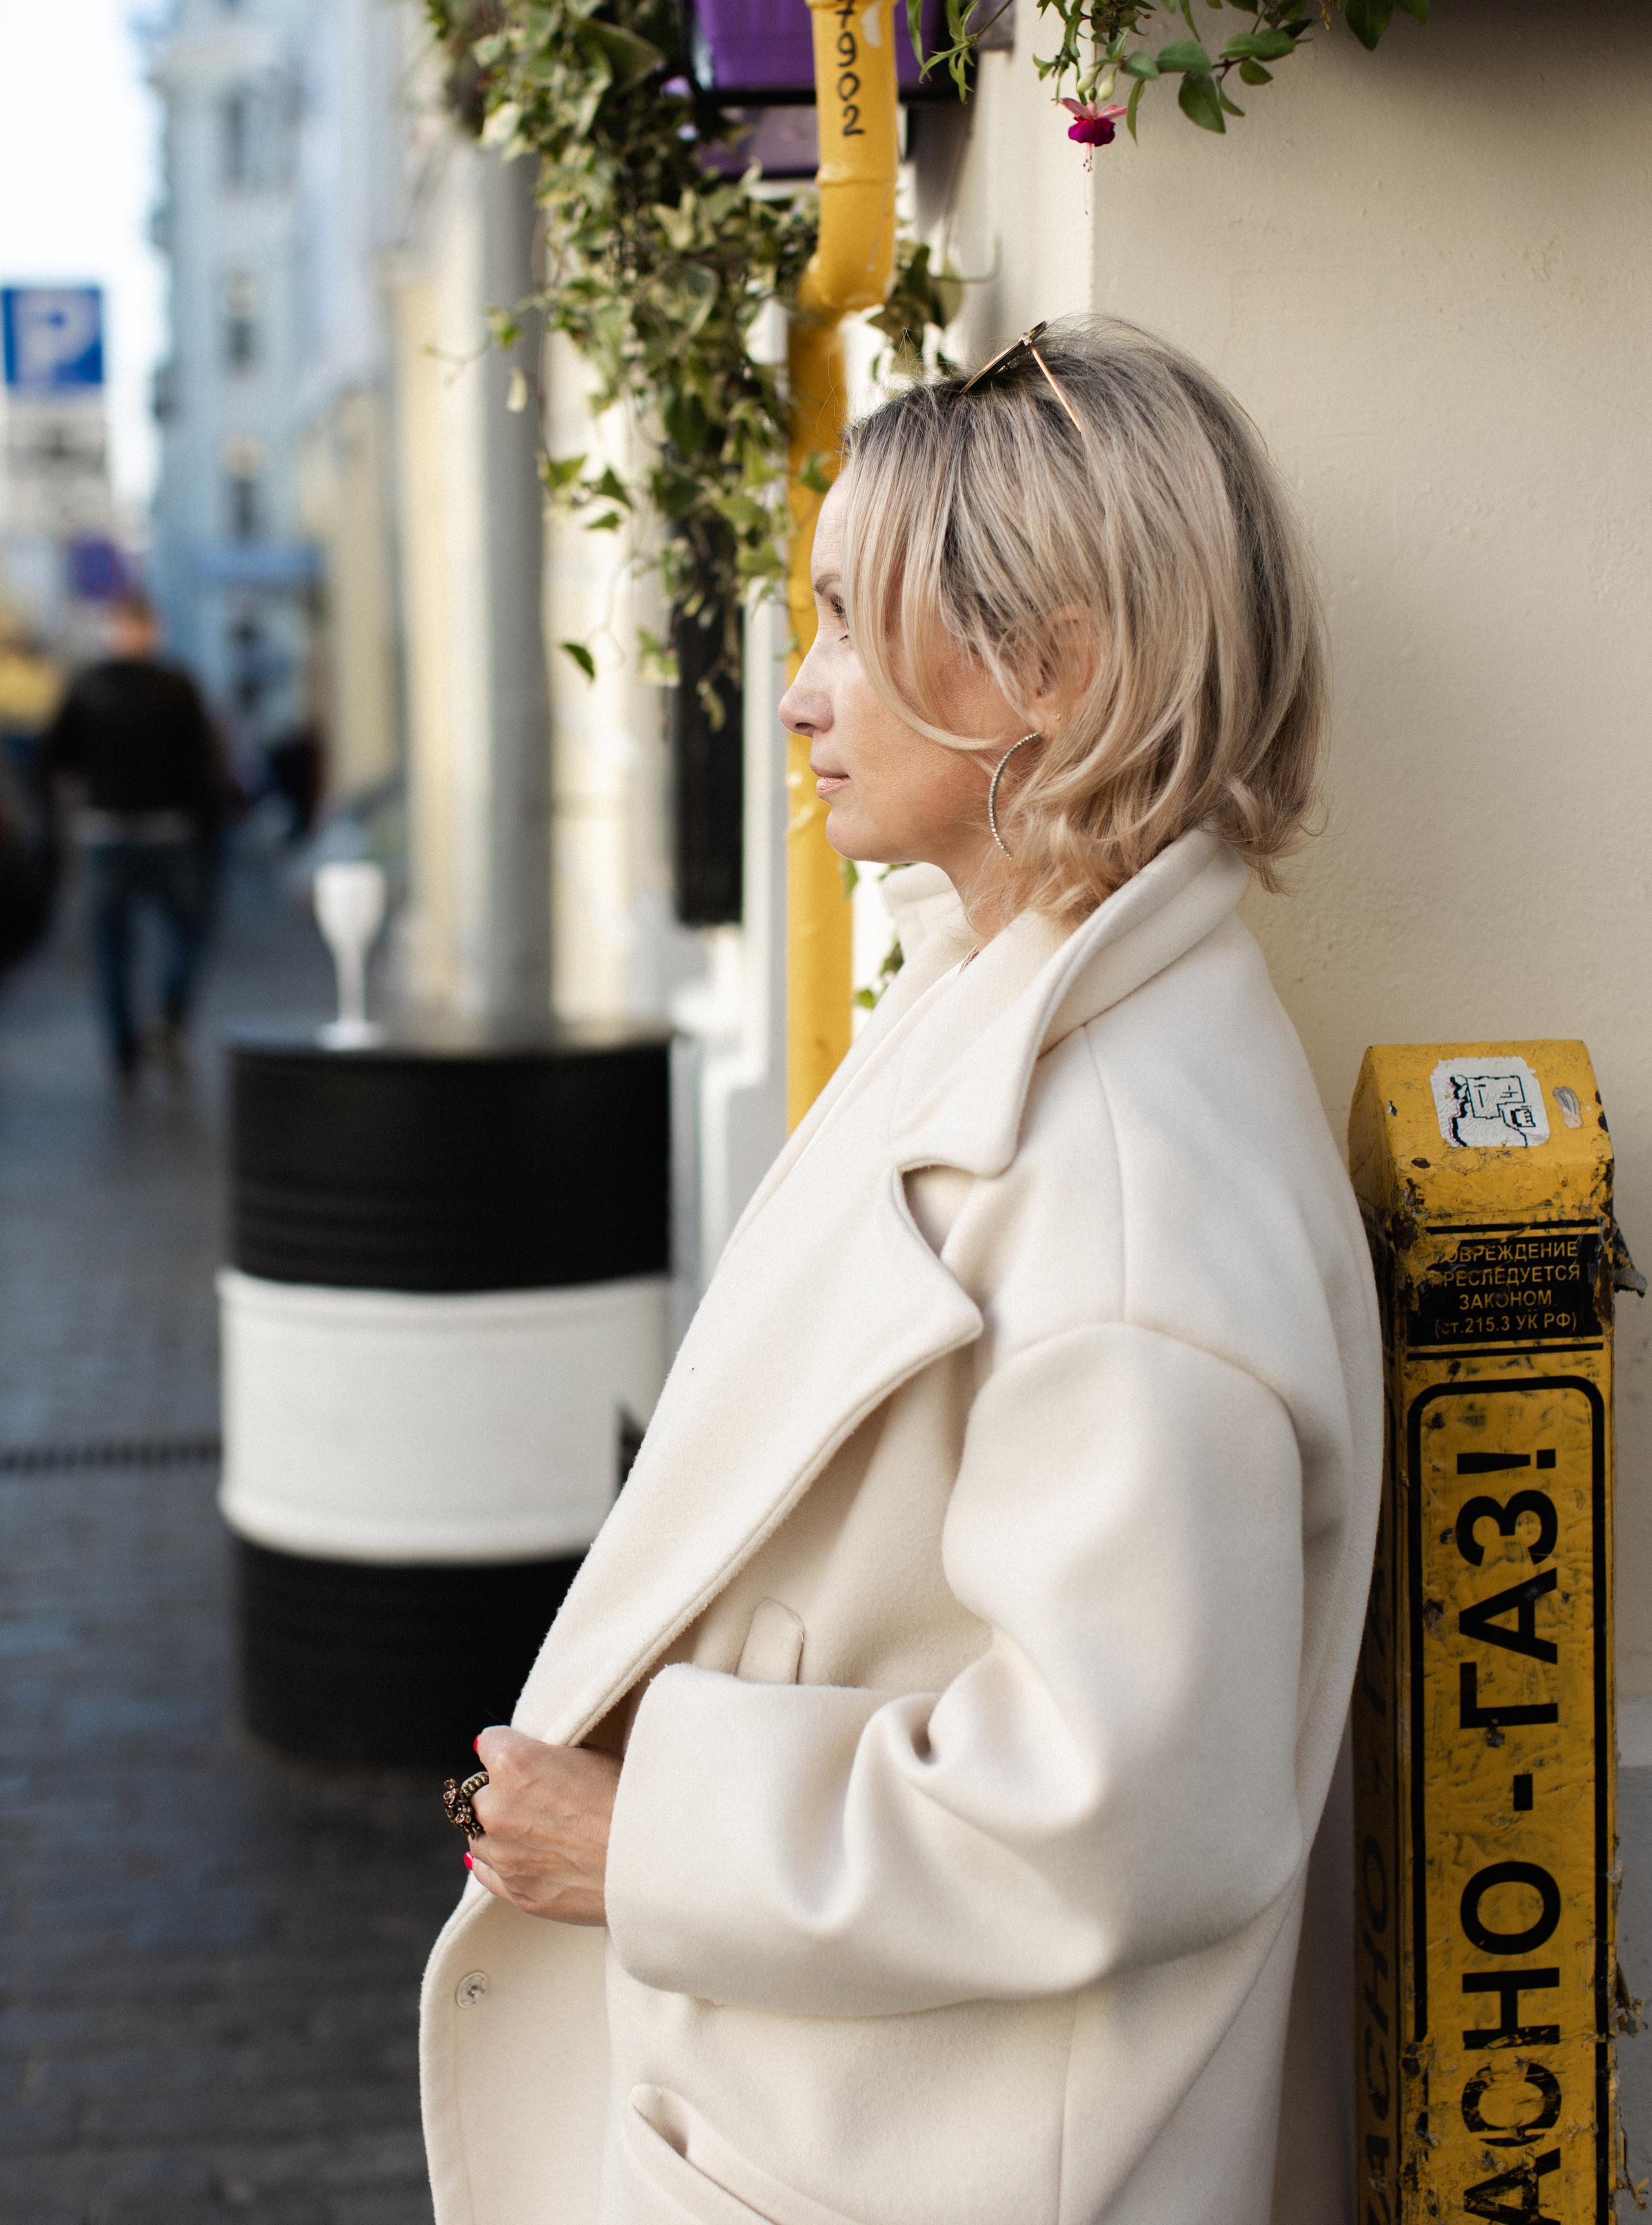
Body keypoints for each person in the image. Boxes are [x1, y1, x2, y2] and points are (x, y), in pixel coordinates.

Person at [421, 318, 1382, 2225]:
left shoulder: (1119, 1183)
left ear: (1057, 667)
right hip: (848, 2109)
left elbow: (1123, 1794)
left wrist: (646, 1833)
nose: (797, 696)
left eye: (852, 624)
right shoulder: (1001, 1001)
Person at [39, 596, 220, 1084]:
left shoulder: (90, 687)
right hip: (160, 831)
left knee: (118, 949)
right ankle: (158, 1028)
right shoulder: (173, 686)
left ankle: (133, 1050)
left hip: (120, 833)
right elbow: (205, 762)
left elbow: (54, 758)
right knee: (175, 936)